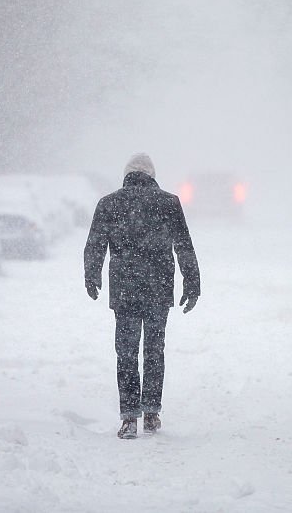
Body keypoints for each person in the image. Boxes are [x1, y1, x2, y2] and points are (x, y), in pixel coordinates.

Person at [83, 153, 201, 439]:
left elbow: (94, 245)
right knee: (153, 350)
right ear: (152, 176)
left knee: (125, 352)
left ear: (127, 175)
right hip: (158, 289)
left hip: (124, 290)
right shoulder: (168, 203)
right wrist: (192, 283)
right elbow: (184, 246)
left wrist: (92, 275)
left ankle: (128, 418)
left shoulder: (109, 203)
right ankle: (151, 412)